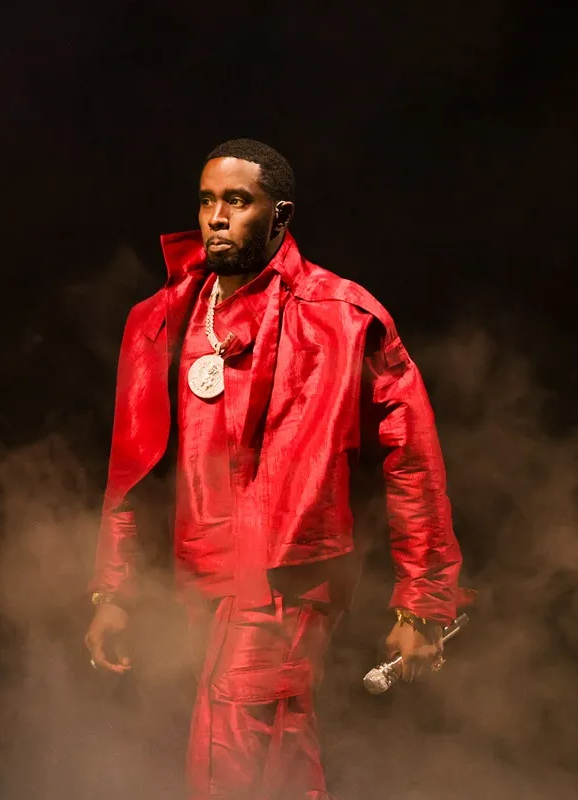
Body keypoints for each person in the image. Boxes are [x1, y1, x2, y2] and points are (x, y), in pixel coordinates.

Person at [85, 138, 467, 798]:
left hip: (287, 576)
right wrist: (113, 591)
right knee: (279, 758)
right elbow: (132, 470)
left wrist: (424, 605)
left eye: (237, 200)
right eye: (207, 201)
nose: (217, 217)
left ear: (280, 216)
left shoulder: (343, 316)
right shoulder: (160, 320)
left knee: (230, 755)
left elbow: (413, 460)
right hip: (196, 576)